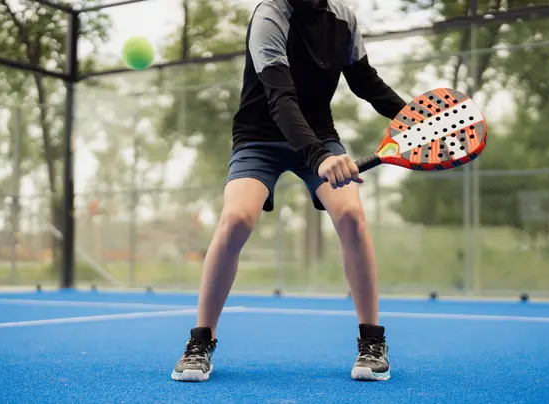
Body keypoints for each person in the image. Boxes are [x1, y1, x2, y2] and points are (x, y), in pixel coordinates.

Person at [171, 0, 406, 382]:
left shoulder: (344, 19)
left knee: (351, 215)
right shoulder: (270, 15)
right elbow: (280, 98)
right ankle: (201, 341)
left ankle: (371, 342)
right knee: (235, 219)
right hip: (259, 138)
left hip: (319, 137)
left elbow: (366, 83)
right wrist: (318, 158)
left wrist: (414, 117)